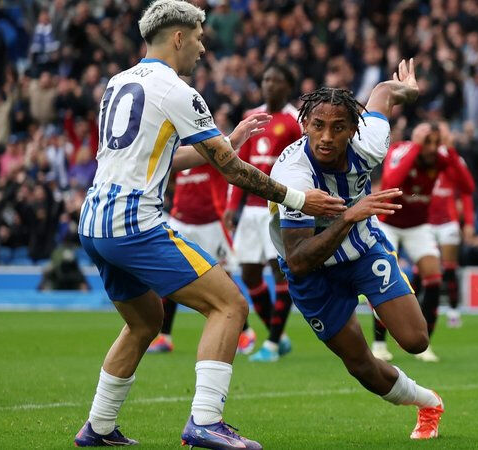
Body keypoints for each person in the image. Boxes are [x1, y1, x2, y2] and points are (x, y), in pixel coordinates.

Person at [73, 1, 343, 447]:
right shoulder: (176, 89)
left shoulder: (118, 82)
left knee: (145, 321)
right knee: (230, 306)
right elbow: (234, 171)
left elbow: (154, 161)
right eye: (198, 38)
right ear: (178, 37)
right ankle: (205, 421)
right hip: (133, 223)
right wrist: (299, 198)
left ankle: (98, 426)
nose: (202, 48)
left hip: (95, 222)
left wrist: (227, 141)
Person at [269, 59, 445, 440]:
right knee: (361, 365)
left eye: (338, 127)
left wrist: (408, 91)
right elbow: (298, 260)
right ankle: (428, 402)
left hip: (364, 251)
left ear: (354, 129)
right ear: (304, 125)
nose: (327, 137)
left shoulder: (371, 143)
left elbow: (382, 93)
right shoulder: (292, 175)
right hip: (312, 271)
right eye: (318, 126)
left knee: (416, 340)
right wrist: (349, 216)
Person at [370, 122, 472, 363]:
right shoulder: (400, 150)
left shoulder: (440, 158)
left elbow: (468, 186)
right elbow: (390, 182)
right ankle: (379, 343)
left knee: (434, 278)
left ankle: (425, 345)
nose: (432, 148)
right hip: (388, 223)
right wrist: (417, 146)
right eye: (428, 141)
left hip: (418, 226)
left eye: (435, 143)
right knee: (384, 280)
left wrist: (450, 150)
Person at [224, 63, 303, 363]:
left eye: (276, 79)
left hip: (279, 208)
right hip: (251, 211)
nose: (269, 84)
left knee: (278, 270)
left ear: (287, 85)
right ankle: (279, 336)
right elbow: (238, 165)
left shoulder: (294, 120)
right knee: (249, 274)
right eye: (266, 79)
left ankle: (270, 343)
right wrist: (233, 207)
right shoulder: (251, 117)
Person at [146, 145, 256, 355]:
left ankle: (245, 332)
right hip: (182, 223)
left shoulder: (209, 148)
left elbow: (231, 166)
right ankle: (164, 337)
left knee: (225, 279)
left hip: (212, 225)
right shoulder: (179, 153)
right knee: (170, 278)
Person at [427, 127, 476, 328]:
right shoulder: (424, 155)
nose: (449, 137)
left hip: (448, 220)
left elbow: (466, 192)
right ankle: (423, 309)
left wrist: (470, 222)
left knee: (449, 268)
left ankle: (454, 311)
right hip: (425, 221)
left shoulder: (455, 159)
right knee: (423, 270)